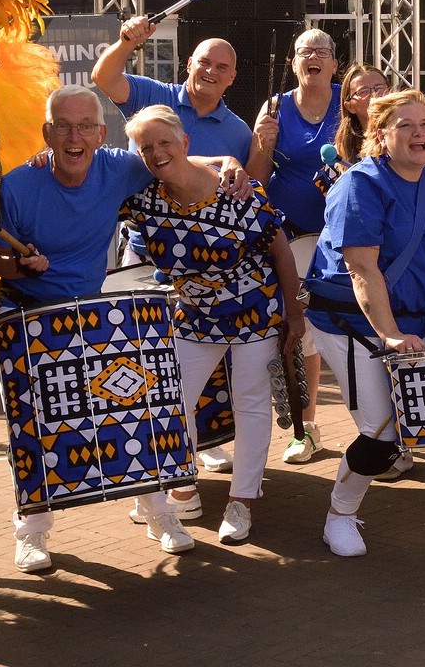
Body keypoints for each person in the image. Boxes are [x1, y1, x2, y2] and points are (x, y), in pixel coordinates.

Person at [0, 86, 247, 573]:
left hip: (93, 314)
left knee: (140, 411)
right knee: (33, 430)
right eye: (63, 126)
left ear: (100, 132)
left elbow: (174, 161)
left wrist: (227, 163)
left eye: (85, 126)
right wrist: (16, 266)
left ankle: (160, 516)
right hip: (26, 319)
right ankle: (31, 533)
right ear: (47, 132)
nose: (75, 137)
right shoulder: (15, 186)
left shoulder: (120, 168)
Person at [302, 89, 425, 558]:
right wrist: (389, 334)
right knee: (381, 428)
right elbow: (362, 269)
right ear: (380, 134)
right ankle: (340, 516)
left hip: (414, 319)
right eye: (405, 125)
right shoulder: (359, 185)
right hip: (351, 320)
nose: (419, 133)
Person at [120, 106, 307, 545]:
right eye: (146, 147)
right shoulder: (143, 200)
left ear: (185, 143)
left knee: (251, 403)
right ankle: (182, 485)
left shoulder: (238, 192)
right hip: (195, 312)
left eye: (165, 142)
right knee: (170, 400)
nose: (156, 152)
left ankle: (242, 502)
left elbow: (280, 251)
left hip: (255, 309)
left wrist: (294, 314)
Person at [92, 14, 253, 475]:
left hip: (206, 266)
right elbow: (104, 77)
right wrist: (126, 42)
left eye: (221, 67)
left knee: (201, 358)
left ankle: (200, 438)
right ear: (188, 63)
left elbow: (239, 195)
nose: (211, 71)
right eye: (204, 62)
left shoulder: (239, 131)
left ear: (232, 76)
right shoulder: (152, 95)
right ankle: (147, 448)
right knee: (146, 355)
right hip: (145, 252)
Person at [248, 27, 341, 465]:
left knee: (358, 330)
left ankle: (385, 431)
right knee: (297, 328)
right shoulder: (274, 108)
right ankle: (305, 428)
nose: (313, 57)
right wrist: (263, 142)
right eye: (305, 50)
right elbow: (257, 179)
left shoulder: (351, 102)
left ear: (335, 64)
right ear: (294, 63)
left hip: (343, 236)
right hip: (291, 237)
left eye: (322, 51)